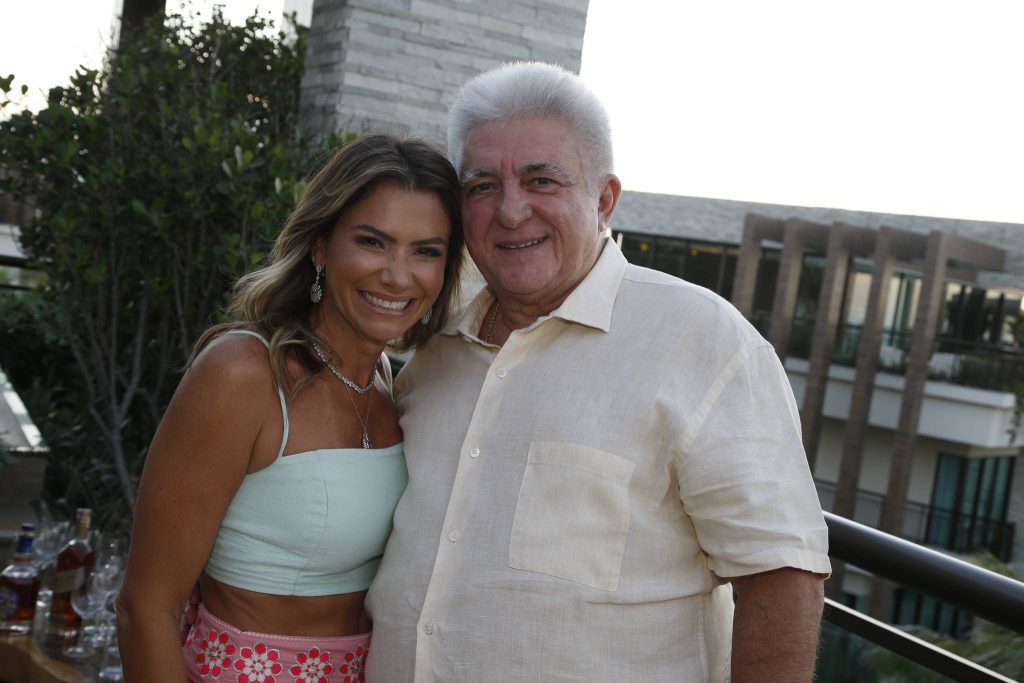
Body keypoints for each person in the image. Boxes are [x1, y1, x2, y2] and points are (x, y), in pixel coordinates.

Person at [364, 62, 831, 682]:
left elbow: (781, 573)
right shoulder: (433, 350)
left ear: (604, 199)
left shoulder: (701, 340)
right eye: (482, 186)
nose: (511, 211)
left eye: (541, 180)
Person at [116, 134, 464, 683]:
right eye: (372, 242)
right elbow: (145, 609)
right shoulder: (244, 373)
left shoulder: (387, 382)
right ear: (320, 246)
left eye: (426, 251)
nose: (399, 276)